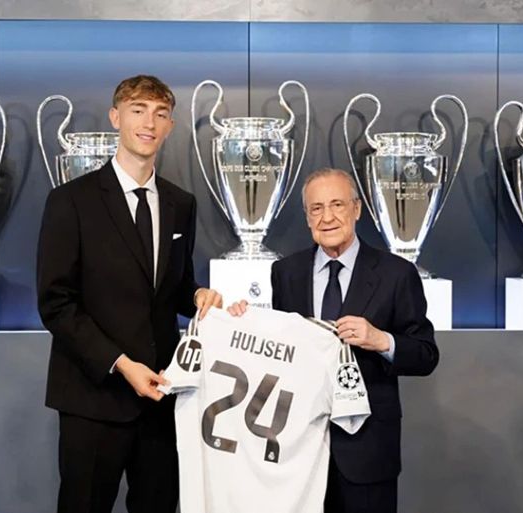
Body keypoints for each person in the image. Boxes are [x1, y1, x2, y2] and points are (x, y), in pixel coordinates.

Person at [37, 74, 222, 513]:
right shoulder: (70, 202)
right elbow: (56, 303)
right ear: (116, 117)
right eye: (138, 110)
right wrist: (121, 365)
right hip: (93, 398)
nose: (149, 122)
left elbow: (173, 288)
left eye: (160, 114)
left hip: (162, 399)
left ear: (171, 126)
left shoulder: (181, 204)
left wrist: (198, 296)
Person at [228, 167, 438, 513]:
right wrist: (244, 322)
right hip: (298, 451)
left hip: (367, 452)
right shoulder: (286, 272)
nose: (327, 217)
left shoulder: (397, 274)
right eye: (316, 208)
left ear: (356, 209)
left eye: (337, 205)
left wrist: (382, 340)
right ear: (307, 217)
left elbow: (427, 354)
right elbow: (280, 350)